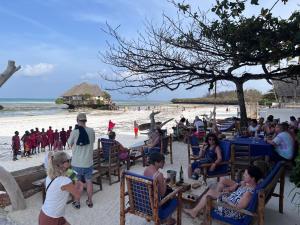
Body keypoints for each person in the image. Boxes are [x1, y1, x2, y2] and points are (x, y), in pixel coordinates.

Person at [184, 165, 263, 219]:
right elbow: (238, 196)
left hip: (230, 211)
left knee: (209, 195)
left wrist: (226, 199)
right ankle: (198, 209)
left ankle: (194, 212)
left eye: (246, 175)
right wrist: (228, 194)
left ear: (253, 178)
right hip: (229, 200)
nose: (243, 176)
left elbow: (238, 208)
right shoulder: (249, 186)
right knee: (212, 191)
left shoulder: (248, 194)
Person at [39, 151, 80, 225]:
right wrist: (75, 180)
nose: (70, 161)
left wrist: (69, 173)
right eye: (68, 160)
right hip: (51, 218)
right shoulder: (64, 181)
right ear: (63, 164)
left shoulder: (49, 176)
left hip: (47, 214)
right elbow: (77, 194)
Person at [68, 113, 95, 209]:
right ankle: (90, 201)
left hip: (76, 164)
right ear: (85, 120)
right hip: (88, 163)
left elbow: (69, 144)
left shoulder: (74, 132)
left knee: (76, 183)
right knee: (89, 182)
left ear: (77, 120)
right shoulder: (91, 131)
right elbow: (92, 142)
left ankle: (77, 202)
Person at [144, 152, 176, 225]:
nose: (164, 163)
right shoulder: (159, 175)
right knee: (174, 198)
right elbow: (162, 193)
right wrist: (164, 182)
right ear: (156, 162)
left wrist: (162, 181)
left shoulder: (146, 170)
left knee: (168, 192)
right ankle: (168, 220)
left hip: (145, 203)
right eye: (162, 161)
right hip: (156, 208)